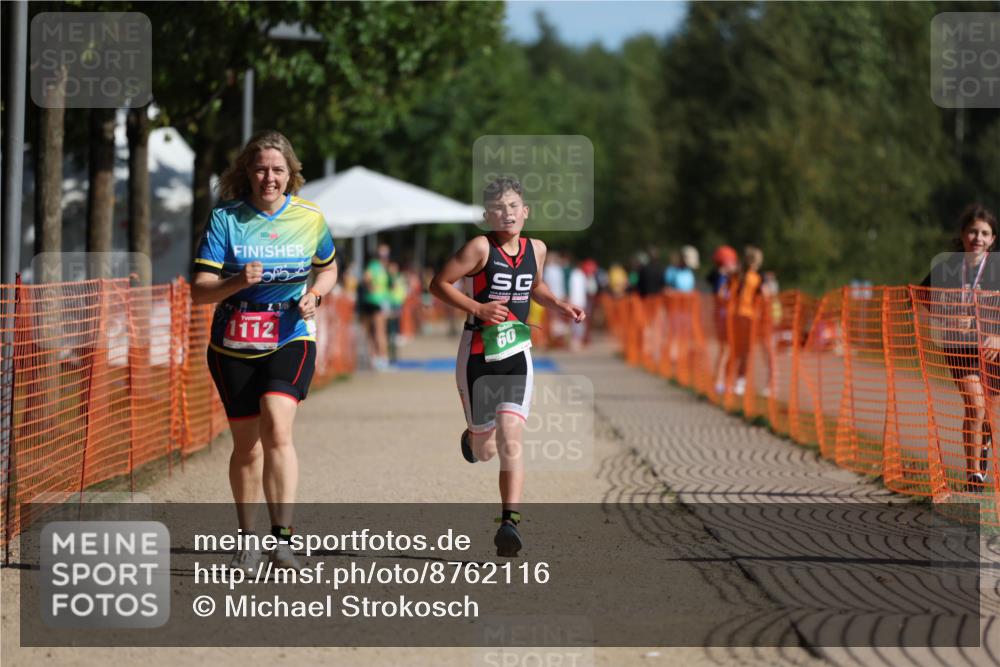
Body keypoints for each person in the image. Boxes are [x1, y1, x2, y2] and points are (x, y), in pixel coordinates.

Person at [191, 130, 338, 571]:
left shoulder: (310, 216)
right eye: (260, 169)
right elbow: (199, 290)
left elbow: (328, 268)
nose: (269, 178)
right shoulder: (226, 219)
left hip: (290, 333)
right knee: (247, 447)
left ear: (290, 174)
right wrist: (237, 282)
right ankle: (247, 538)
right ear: (247, 173)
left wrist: (316, 295)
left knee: (277, 422)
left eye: (277, 170)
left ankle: (283, 539)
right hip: (233, 342)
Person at [429, 177, 585, 557]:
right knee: (485, 450)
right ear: (488, 215)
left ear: (525, 211)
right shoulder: (480, 248)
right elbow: (439, 284)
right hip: (478, 352)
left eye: (514, 206)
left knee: (511, 436)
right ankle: (472, 437)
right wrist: (477, 308)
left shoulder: (537, 248)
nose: (508, 213)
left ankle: (509, 523)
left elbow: (535, 286)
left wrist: (559, 305)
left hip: (517, 351)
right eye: (499, 208)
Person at [920, 204, 1000, 491]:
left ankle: (983, 443)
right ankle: (973, 475)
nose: (978, 238)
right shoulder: (947, 268)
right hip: (960, 349)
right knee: (975, 407)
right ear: (963, 234)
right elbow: (920, 297)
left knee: (988, 413)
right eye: (973, 231)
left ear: (992, 239)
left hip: (993, 352)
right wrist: (948, 317)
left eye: (985, 233)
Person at [730, 246, 764, 396]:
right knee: (740, 351)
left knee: (743, 351)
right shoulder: (744, 276)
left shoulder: (754, 277)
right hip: (742, 315)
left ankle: (738, 380)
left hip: (746, 316)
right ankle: (736, 379)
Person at [709, 245, 739, 395]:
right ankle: (719, 381)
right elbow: (721, 296)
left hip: (728, 317)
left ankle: (725, 380)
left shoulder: (728, 279)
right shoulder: (720, 278)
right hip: (723, 317)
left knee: (729, 351)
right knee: (725, 350)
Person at [362, 244, 391, 370]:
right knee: (379, 332)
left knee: (372, 332)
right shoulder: (377, 267)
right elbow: (366, 279)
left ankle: (374, 358)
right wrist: (371, 288)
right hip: (377, 302)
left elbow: (366, 278)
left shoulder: (376, 267)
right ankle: (382, 358)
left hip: (371, 301)